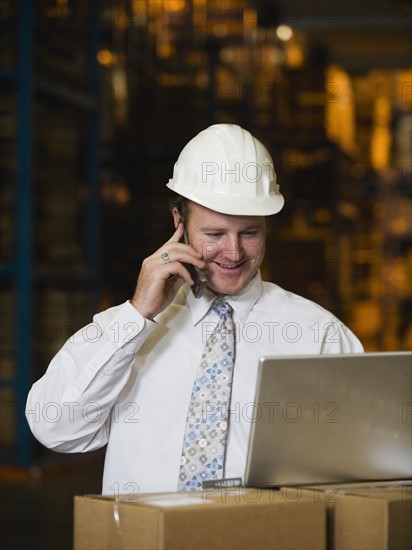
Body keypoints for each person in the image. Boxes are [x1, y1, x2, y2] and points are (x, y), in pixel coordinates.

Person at [26, 124, 363, 496]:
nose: (233, 253)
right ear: (179, 223)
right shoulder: (127, 330)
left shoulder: (318, 335)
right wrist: (137, 317)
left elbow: (357, 470)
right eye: (215, 235)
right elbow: (55, 428)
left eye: (249, 233)